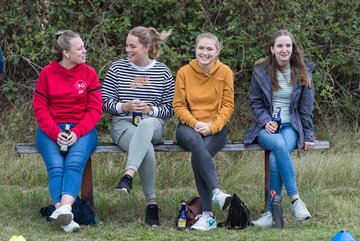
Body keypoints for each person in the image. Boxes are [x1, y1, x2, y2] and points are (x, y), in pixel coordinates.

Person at [102, 26, 174, 226]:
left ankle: (127, 176)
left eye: (132, 46)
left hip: (154, 125)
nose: (127, 49)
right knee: (146, 148)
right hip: (123, 125)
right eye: (126, 45)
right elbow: (104, 102)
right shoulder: (117, 69)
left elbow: (170, 108)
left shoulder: (162, 72)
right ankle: (151, 204)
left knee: (145, 126)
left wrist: (150, 110)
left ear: (146, 47)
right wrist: (123, 106)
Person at [244, 29, 315, 228]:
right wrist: (265, 120)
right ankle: (295, 200)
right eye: (280, 46)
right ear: (272, 49)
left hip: (291, 126)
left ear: (292, 49)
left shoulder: (303, 71)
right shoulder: (260, 71)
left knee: (277, 153)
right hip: (265, 127)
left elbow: (306, 107)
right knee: (278, 145)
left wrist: (308, 134)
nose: (284, 50)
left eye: (288, 46)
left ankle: (269, 214)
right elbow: (255, 102)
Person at [33, 30, 103, 233]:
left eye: (83, 47)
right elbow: (40, 108)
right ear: (66, 53)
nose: (84, 51)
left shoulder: (89, 72)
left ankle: (63, 208)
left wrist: (78, 131)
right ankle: (65, 214)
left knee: (73, 162)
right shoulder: (47, 73)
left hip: (83, 129)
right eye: (79, 48)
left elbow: (95, 109)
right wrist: (55, 133)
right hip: (51, 129)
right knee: (56, 166)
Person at [173, 33, 234, 231]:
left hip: (215, 129)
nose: (205, 53)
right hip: (188, 128)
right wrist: (194, 123)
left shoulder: (225, 72)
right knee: (197, 145)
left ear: (217, 51)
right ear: (195, 49)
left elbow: (227, 106)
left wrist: (212, 127)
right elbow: (179, 106)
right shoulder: (184, 72)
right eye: (201, 48)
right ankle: (216, 193)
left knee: (198, 157)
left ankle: (207, 214)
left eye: (209, 49)